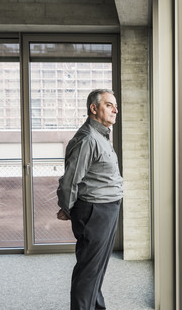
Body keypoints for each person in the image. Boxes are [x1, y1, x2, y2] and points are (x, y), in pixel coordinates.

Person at [56, 89, 123, 310]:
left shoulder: (101, 135)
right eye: (109, 105)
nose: (115, 109)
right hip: (95, 211)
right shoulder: (88, 139)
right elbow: (70, 180)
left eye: (115, 105)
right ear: (94, 108)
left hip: (106, 209)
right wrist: (67, 208)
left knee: (97, 269)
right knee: (88, 271)